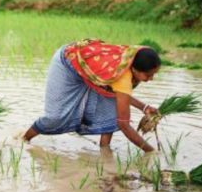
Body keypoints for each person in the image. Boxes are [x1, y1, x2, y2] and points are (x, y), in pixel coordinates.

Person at [23, 38, 161, 152]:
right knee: (56, 117)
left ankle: (105, 151)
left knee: (111, 112)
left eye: (154, 74)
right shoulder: (123, 76)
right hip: (67, 62)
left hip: (91, 70)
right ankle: (23, 140)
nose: (151, 79)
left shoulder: (132, 58)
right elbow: (124, 125)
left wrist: (144, 107)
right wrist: (151, 151)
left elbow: (121, 95)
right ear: (135, 69)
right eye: (148, 75)